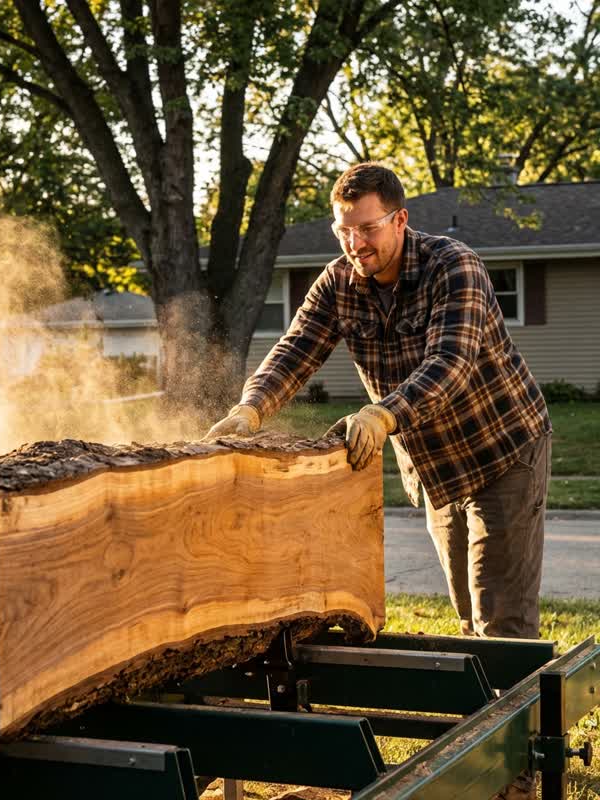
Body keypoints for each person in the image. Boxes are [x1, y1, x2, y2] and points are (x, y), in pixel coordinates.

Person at [205, 162, 551, 799]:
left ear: (399, 220)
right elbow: (297, 345)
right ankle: (490, 742)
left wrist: (385, 410)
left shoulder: (455, 267)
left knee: (503, 621)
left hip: (503, 451)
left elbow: (453, 360)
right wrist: (250, 407)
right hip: (434, 465)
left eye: (365, 230)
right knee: (469, 614)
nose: (354, 244)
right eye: (344, 232)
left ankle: (519, 772)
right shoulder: (341, 281)